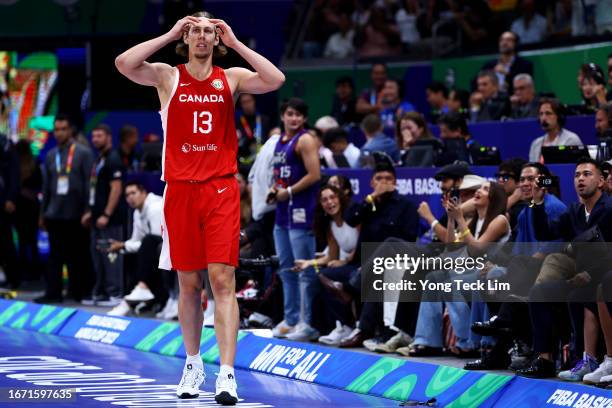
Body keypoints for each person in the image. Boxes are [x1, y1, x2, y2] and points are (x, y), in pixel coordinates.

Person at [115, 11, 285, 404]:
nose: (202, 37)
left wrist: (238, 43)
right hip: (180, 191)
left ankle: (227, 375)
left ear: (218, 39)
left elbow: (275, 80)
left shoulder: (231, 78)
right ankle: (193, 364)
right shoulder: (167, 75)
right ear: (186, 39)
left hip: (221, 190)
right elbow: (124, 63)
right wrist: (171, 31)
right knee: (189, 285)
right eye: (195, 32)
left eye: (210, 32)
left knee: (223, 282)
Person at [409, 181, 510, 357]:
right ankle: (427, 341)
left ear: (495, 197)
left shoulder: (500, 220)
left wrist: (460, 218)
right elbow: (450, 247)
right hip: (471, 271)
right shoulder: (473, 221)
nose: (479, 190)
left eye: (486, 189)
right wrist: (450, 218)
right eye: (480, 187)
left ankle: (467, 342)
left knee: (450, 284)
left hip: (493, 272)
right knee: (434, 277)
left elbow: (478, 248)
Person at [269, 98, 321, 342]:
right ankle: (290, 320)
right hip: (282, 212)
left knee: (303, 270)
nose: (294, 119)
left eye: (299, 115)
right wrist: (274, 188)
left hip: (301, 212)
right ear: (283, 115)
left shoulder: (305, 140)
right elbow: (282, 174)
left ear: (304, 119)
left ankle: (307, 321)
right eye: (290, 114)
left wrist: (287, 192)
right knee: (286, 269)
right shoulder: (279, 141)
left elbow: (315, 174)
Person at [36, 115, 94, 303]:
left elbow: (90, 183)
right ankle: (53, 293)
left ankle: (78, 292)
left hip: (76, 213)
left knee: (77, 256)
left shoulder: (83, 153)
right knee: (54, 257)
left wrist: (88, 209)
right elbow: (46, 187)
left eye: (63, 129)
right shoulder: (52, 155)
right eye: (57, 129)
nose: (59, 133)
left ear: (70, 131)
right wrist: (42, 213)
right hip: (54, 214)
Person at [293, 184, 358, 346]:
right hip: (349, 265)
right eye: (324, 200)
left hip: (363, 263)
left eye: (332, 197)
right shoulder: (330, 225)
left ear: (340, 199)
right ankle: (328, 326)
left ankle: (348, 325)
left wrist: (345, 261)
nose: (329, 202)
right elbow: (332, 256)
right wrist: (309, 263)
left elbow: (361, 245)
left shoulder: (354, 217)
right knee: (319, 276)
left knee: (326, 275)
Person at [82, 124, 127, 307]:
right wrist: (90, 212)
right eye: (93, 136)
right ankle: (101, 292)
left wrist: (107, 214)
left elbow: (116, 189)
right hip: (97, 218)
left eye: (99, 136)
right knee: (98, 257)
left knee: (111, 257)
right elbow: (96, 189)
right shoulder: (99, 159)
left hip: (111, 219)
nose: (95, 139)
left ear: (109, 137)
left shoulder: (114, 159)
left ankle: (115, 294)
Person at [106, 182, 165, 317]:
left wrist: (124, 245)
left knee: (148, 242)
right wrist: (122, 246)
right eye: (127, 195)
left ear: (143, 193)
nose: (130, 198)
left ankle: (141, 290)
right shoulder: (137, 212)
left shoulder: (155, 207)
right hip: (153, 249)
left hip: (168, 247)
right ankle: (132, 297)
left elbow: (157, 241)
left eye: (133, 193)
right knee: (129, 254)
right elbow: (135, 241)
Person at [529, 98, 582, 162]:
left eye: (548, 113)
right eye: (541, 114)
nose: (543, 118)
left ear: (559, 116)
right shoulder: (536, 143)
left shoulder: (571, 140)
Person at [481, 31, 533, 95]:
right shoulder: (490, 65)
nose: (504, 43)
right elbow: (476, 81)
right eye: (502, 40)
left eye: (508, 40)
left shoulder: (524, 64)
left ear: (515, 44)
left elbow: (524, 86)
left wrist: (507, 74)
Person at [0, 133, 19, 288]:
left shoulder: (5, 142)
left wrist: (11, 198)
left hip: (2, 201)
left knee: (5, 241)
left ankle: (13, 278)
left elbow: (13, 173)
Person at [235, 93, 271, 167]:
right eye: (244, 102)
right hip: (243, 163)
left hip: (262, 162)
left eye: (249, 101)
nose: (247, 105)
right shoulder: (237, 123)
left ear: (254, 101)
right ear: (241, 105)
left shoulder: (264, 120)